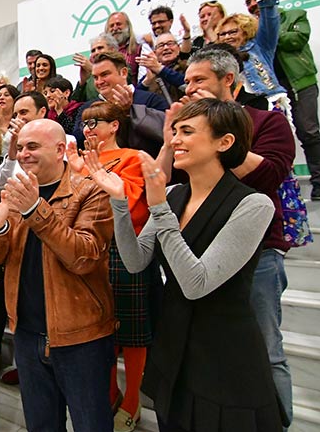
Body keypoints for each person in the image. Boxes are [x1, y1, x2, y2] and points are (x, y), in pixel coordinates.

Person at [94, 98, 284, 431]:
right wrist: (120, 203)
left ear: (224, 142)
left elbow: (196, 283)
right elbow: (136, 261)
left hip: (224, 352)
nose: (174, 140)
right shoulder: (174, 194)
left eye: (187, 131)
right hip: (175, 342)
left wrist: (159, 208)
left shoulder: (253, 204)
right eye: (175, 131)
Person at [0, 119, 115, 431]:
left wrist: (35, 210)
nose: (23, 154)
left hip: (80, 339)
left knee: (92, 425)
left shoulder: (90, 191)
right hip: (27, 335)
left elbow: (83, 257)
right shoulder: (16, 193)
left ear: (60, 149)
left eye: (33, 146)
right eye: (21, 147)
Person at [182, 45, 296, 428]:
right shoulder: (190, 132)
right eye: (187, 81)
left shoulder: (268, 122)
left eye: (199, 80)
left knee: (267, 350)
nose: (190, 87)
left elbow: (268, 177)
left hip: (260, 251)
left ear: (227, 80)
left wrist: (219, 133)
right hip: (203, 252)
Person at [66, 102, 152, 432]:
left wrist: (93, 175)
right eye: (85, 124)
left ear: (114, 126)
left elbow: (129, 201)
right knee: (101, 325)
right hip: (92, 247)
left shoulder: (132, 157)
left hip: (124, 247)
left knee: (131, 329)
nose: (88, 129)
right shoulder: (83, 161)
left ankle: (132, 399)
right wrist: (76, 172)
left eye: (95, 122)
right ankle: (110, 391)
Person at [244, 0, 320, 200]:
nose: (253, 4)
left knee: (308, 131)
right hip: (271, 89)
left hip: (300, 82)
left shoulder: (294, 15)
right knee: (275, 137)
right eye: (248, 2)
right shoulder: (252, 30)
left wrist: (268, 33)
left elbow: (296, 40)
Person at [216, 0, 288, 112]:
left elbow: (269, 15)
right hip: (238, 110)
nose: (227, 37)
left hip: (270, 103)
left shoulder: (260, 46)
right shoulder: (219, 59)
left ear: (245, 31)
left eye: (233, 32)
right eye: (223, 34)